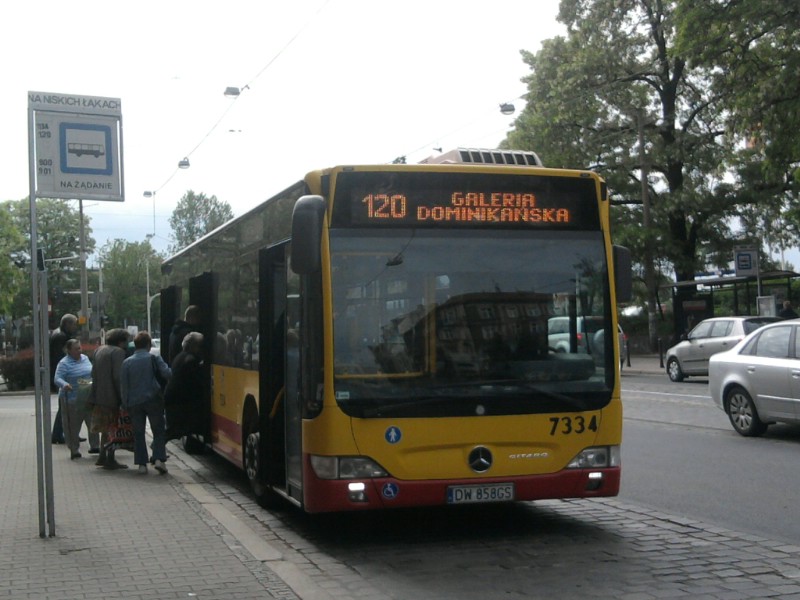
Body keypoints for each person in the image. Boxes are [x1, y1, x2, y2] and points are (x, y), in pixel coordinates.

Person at [121, 331, 171, 474]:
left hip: (134, 402)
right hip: (153, 399)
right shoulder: (154, 358)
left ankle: (142, 464)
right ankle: (159, 459)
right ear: (149, 345)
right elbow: (167, 373)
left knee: (138, 433)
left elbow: (124, 386)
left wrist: (125, 403)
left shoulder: (127, 362)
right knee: (158, 430)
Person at [88, 328, 130, 470]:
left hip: (99, 395)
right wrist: (122, 397)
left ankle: (102, 455)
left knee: (105, 428)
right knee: (112, 427)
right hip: (112, 396)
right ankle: (109, 458)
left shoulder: (99, 350)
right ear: (120, 341)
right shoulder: (118, 352)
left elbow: (93, 373)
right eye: (126, 341)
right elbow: (118, 377)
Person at [53, 338, 99, 459]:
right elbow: (57, 378)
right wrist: (64, 384)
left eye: (80, 348)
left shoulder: (85, 358)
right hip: (72, 398)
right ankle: (74, 449)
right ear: (69, 350)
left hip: (87, 395)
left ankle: (95, 445)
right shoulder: (64, 363)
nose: (79, 350)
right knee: (73, 426)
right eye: (76, 349)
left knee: (92, 421)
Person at [164, 332, 205, 441]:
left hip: (174, 397)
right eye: (200, 346)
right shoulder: (191, 360)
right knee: (175, 430)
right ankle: (157, 447)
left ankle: (158, 447)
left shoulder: (181, 356)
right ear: (193, 346)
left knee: (175, 429)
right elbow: (195, 380)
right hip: (180, 400)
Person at [50, 313, 78, 444]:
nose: (75, 327)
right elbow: (62, 357)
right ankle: (58, 434)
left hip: (60, 375)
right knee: (65, 407)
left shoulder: (58, 334)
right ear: (67, 324)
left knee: (66, 406)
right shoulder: (61, 337)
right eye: (74, 324)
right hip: (64, 376)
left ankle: (70, 433)